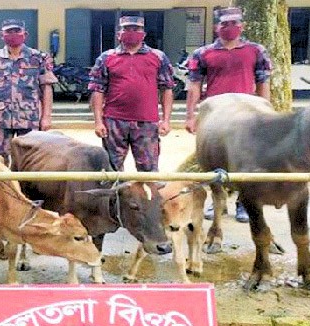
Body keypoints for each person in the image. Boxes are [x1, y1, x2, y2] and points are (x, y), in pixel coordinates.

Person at [183, 6, 272, 223]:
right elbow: (194, 85)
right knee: (213, 158)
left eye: (234, 24)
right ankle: (218, 204)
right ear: (216, 27)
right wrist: (191, 115)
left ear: (242, 26)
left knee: (248, 159)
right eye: (224, 24)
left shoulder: (256, 51)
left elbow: (263, 82)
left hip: (246, 114)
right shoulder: (203, 53)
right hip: (215, 115)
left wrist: (266, 112)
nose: (230, 28)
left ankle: (244, 203)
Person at [88, 16, 175, 173]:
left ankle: (147, 197)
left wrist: (166, 120)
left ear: (144, 33)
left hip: (147, 122)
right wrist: (98, 121)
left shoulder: (158, 57)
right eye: (126, 29)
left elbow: (167, 88)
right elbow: (97, 90)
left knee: (149, 170)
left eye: (136, 29)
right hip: (114, 122)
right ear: (118, 34)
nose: (131, 32)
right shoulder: (106, 58)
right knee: (111, 170)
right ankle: (115, 198)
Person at [0, 19, 57, 166]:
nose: (13, 35)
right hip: (0, 119)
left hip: (29, 118)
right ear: (2, 35)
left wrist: (46, 117)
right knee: (0, 160)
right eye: (9, 32)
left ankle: (25, 189)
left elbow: (47, 89)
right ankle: (5, 188)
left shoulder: (38, 58)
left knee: (29, 159)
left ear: (24, 34)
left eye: (17, 31)